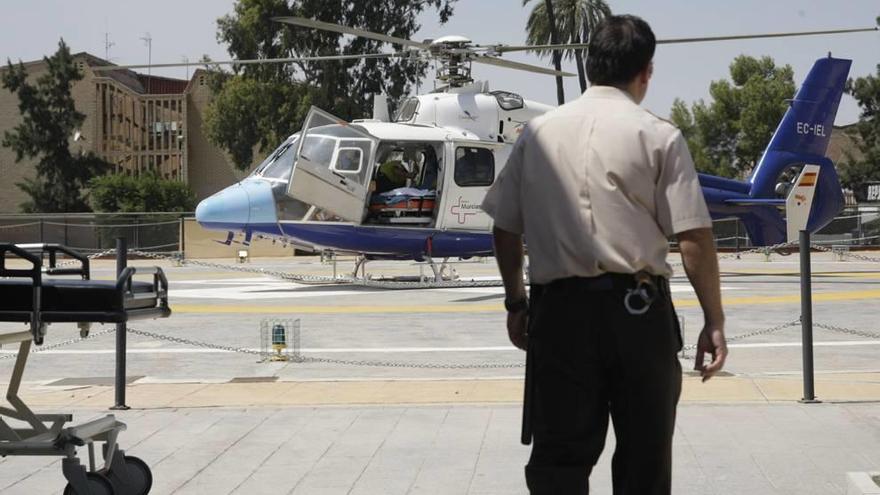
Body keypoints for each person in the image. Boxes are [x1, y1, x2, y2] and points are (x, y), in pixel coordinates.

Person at [481, 14, 727, 495]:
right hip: (639, 315)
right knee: (644, 463)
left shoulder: (536, 134)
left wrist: (516, 303)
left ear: (590, 65)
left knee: (558, 464)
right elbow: (694, 236)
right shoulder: (660, 136)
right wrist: (713, 319)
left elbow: (505, 229)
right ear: (646, 73)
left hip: (559, 317)